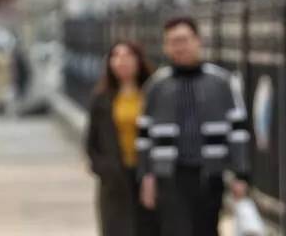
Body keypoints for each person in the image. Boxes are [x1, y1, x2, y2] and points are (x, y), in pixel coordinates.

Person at [138, 16, 250, 236]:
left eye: (184, 40)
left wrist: (241, 174)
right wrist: (146, 176)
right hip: (170, 174)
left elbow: (238, 132)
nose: (179, 47)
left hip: (210, 172)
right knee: (175, 229)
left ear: (198, 41)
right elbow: (144, 136)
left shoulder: (222, 82)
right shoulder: (157, 85)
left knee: (206, 229)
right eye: (173, 41)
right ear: (166, 46)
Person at [85, 41, 159, 236]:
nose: (121, 61)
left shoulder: (152, 94)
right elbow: (92, 142)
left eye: (127, 56)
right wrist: (103, 168)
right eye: (116, 56)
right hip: (115, 179)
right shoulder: (101, 98)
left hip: (148, 177)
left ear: (138, 60)